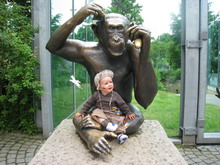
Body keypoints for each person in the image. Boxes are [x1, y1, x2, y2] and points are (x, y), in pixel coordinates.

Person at [75, 70, 135, 144]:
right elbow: (88, 103)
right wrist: (82, 112)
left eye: (111, 82)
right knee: (95, 113)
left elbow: (122, 104)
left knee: (119, 121)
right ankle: (107, 125)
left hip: (112, 112)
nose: (110, 84)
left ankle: (120, 135)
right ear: (99, 87)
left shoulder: (115, 95)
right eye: (106, 83)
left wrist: (128, 113)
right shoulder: (96, 95)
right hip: (101, 113)